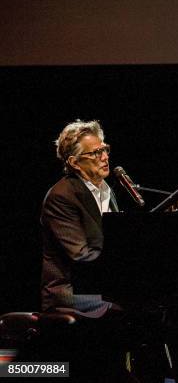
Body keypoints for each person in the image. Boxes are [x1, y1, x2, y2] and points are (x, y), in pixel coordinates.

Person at [41, 119, 118, 318]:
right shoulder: (62, 196)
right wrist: (126, 263)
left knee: (167, 304)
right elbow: (81, 256)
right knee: (136, 308)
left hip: (101, 286)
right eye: (95, 153)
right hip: (71, 293)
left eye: (105, 149)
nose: (105, 157)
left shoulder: (107, 190)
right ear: (74, 162)